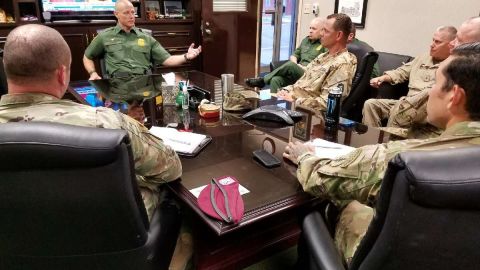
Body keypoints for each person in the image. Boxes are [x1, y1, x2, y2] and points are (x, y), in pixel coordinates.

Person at [284, 42, 480, 265]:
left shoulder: (406, 160)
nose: (429, 92)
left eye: (434, 84)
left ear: (455, 96)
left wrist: (303, 155)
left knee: (333, 200)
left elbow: (321, 178)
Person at [0, 24, 181, 221]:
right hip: (111, 239)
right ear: (62, 74)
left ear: (6, 68)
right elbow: (171, 168)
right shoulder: (105, 122)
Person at [362, 26, 457, 133]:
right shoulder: (422, 58)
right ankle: (371, 138)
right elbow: (401, 72)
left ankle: (386, 143)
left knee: (400, 109)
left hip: (425, 111)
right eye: (433, 40)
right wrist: (382, 78)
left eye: (438, 42)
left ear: (451, 45)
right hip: (405, 104)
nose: (432, 44)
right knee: (371, 104)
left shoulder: (454, 67)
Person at [83, 0, 202, 80]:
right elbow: (87, 56)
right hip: (118, 85)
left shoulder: (146, 37)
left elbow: (167, 60)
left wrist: (186, 56)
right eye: (126, 13)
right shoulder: (105, 36)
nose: (131, 16)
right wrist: (93, 73)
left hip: (144, 84)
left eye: (133, 12)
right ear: (116, 14)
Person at [276, 13, 357, 114]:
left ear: (339, 35)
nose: (321, 34)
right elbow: (302, 82)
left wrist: (294, 99)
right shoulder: (322, 56)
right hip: (293, 104)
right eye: (322, 29)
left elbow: (328, 103)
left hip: (310, 115)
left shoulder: (343, 63)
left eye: (326, 31)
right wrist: (286, 91)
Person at [245, 17, 327, 92]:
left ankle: (263, 81)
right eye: (310, 28)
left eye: (314, 29)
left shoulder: (325, 45)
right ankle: (274, 107)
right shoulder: (305, 40)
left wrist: (298, 66)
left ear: (322, 31)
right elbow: (294, 55)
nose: (310, 31)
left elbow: (324, 66)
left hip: (309, 75)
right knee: (275, 80)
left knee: (290, 65)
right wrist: (295, 65)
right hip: (298, 71)